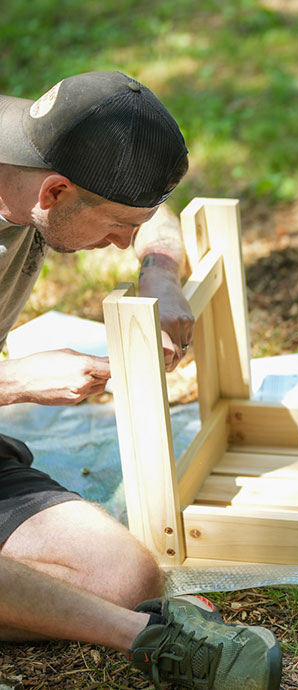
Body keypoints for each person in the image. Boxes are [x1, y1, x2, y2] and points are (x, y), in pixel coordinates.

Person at [0, 71, 281, 689]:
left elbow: (152, 214)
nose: (121, 242)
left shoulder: (41, 146)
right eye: (117, 227)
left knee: (125, 578)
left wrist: (158, 269)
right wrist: (15, 382)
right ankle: (149, 641)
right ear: (53, 191)